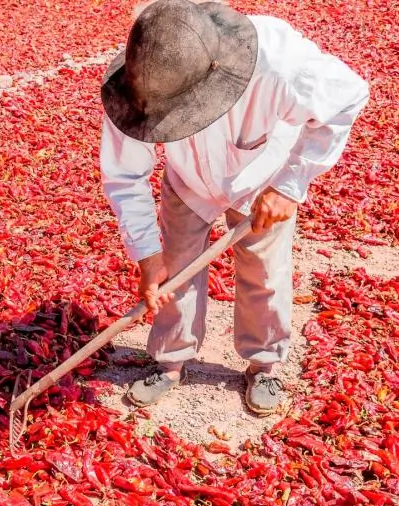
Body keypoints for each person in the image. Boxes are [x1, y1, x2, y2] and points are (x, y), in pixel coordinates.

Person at [99, 0, 369, 415]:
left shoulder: (281, 63)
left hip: (261, 178)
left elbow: (348, 98)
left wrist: (289, 186)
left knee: (264, 271)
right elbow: (125, 177)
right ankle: (171, 362)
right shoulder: (135, 85)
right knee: (174, 269)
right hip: (188, 179)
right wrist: (147, 257)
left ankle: (265, 364)